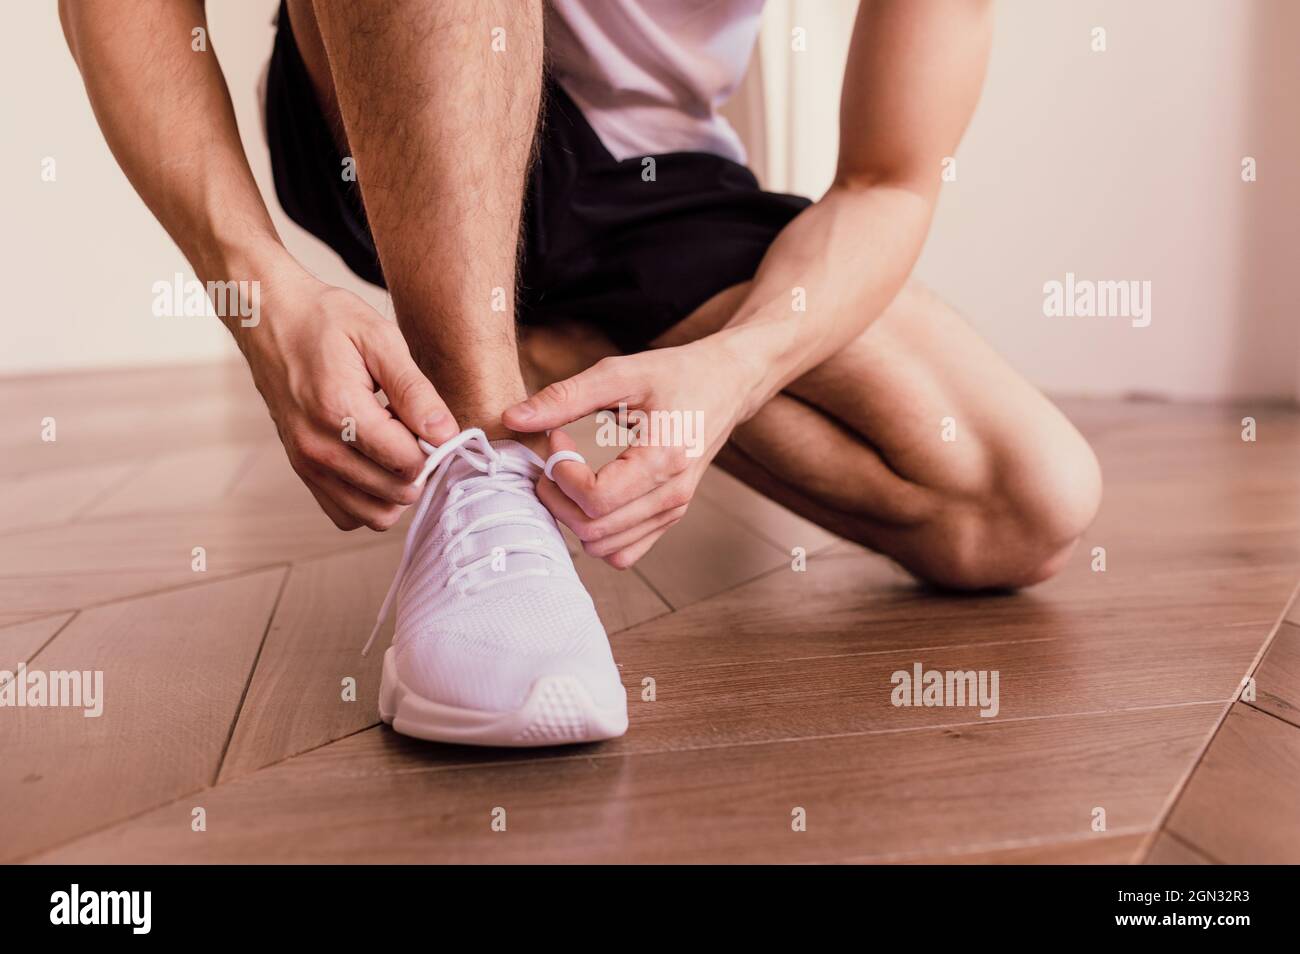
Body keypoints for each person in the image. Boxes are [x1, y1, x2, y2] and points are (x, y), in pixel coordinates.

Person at [59, 0, 1101, 747]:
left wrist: (735, 369)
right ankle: (488, 460)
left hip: (649, 183)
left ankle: (549, 343)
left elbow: (890, 179)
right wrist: (260, 295)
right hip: (388, 86)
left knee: (1024, 501)